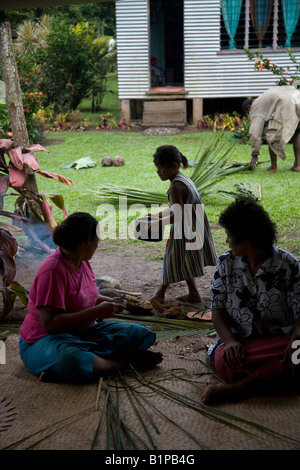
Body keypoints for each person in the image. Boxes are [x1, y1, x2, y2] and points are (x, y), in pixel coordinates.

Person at [19, 212, 162, 382]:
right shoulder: (52, 271)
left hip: (82, 333)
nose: (98, 245)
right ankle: (126, 364)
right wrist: (95, 312)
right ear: (87, 241)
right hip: (44, 341)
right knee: (71, 359)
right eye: (97, 240)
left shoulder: (82, 261)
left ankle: (80, 367)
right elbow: (50, 324)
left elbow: (85, 294)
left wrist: (103, 301)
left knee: (141, 335)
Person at [202, 196, 300, 404]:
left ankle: (239, 388)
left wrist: (296, 339)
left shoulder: (288, 266)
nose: (227, 241)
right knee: (224, 360)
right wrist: (229, 341)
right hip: (242, 344)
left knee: (297, 352)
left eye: (229, 235)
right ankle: (278, 377)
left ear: (245, 238)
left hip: (281, 340)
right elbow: (217, 310)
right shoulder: (226, 264)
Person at [148, 145, 217, 305]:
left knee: (171, 258)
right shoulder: (183, 179)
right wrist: (158, 215)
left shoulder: (176, 186)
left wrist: (159, 223)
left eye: (161, 168)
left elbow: (178, 214)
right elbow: (176, 207)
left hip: (186, 228)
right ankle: (193, 293)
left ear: (173, 166)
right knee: (183, 259)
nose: (158, 172)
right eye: (157, 168)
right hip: (193, 225)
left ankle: (160, 294)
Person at [243, 85, 300, 171]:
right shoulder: (265, 97)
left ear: (249, 107)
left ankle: (274, 167)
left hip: (284, 103)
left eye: (248, 112)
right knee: (297, 133)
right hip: (297, 98)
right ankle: (297, 165)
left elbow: (254, 132)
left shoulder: (255, 106)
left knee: (272, 137)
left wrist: (255, 155)